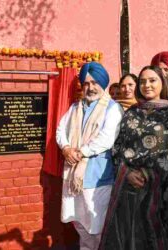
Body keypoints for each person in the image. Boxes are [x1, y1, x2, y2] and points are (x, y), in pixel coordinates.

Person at [100, 65, 168, 250]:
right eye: (142, 81)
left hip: (161, 191)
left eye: (152, 80)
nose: (147, 85)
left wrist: (150, 175)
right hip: (129, 188)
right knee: (129, 238)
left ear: (162, 83)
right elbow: (118, 147)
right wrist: (126, 172)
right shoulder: (132, 112)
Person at [56, 62, 123, 250]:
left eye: (94, 83)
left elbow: (106, 139)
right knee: (79, 223)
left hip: (97, 177)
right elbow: (61, 130)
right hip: (73, 175)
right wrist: (66, 148)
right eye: (86, 84)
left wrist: (81, 153)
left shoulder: (113, 108)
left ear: (103, 83)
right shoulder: (75, 108)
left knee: (96, 225)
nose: (90, 87)